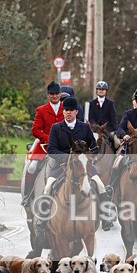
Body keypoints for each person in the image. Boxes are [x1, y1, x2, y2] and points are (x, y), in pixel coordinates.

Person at [35, 97, 113, 234]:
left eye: (71, 110)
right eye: (66, 110)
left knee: (100, 185)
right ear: (63, 112)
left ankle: (105, 217)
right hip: (62, 165)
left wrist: (86, 157)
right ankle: (43, 218)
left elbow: (94, 147)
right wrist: (69, 158)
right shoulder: (56, 128)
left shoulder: (84, 127)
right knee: (48, 186)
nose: (68, 113)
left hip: (83, 165)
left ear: (76, 112)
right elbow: (52, 150)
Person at [22, 81, 64, 206]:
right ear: (47, 95)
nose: (54, 96)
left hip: (63, 146)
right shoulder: (41, 110)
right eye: (52, 94)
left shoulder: (67, 108)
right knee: (32, 167)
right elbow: (35, 130)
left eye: (56, 94)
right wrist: (50, 139)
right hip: (44, 146)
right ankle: (28, 196)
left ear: (60, 94)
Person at [87, 80, 118, 147]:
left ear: (106, 91)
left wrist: (116, 129)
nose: (101, 91)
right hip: (95, 129)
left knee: (116, 143)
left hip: (108, 129)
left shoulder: (110, 103)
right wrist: (94, 125)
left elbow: (113, 117)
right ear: (97, 91)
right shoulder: (92, 103)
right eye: (99, 89)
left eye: (103, 89)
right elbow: (90, 117)